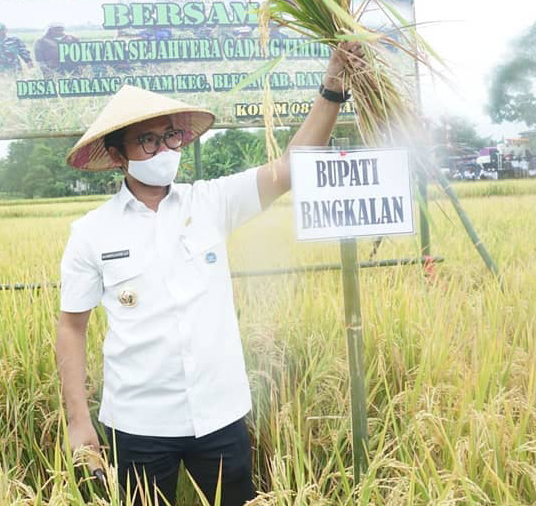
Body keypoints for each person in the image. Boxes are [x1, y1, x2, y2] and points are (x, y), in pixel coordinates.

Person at [56, 43, 363, 506]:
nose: (164, 150)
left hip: (219, 415)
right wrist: (79, 420)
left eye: (171, 137)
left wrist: (333, 86)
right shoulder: (90, 233)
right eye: (148, 141)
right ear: (119, 155)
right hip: (138, 425)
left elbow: (290, 168)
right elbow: (71, 328)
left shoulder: (211, 203)